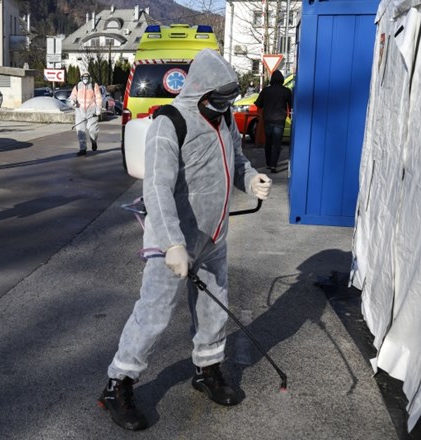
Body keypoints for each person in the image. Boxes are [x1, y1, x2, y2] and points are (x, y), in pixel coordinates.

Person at [98, 49, 272, 431]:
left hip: (214, 236)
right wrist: (172, 243)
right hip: (173, 240)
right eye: (219, 98)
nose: (224, 106)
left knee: (213, 308)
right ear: (199, 91)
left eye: (229, 100)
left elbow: (237, 161)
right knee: (154, 314)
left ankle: (207, 370)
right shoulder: (171, 122)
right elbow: (157, 188)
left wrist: (250, 179)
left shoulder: (224, 119)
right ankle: (118, 384)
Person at [254, 70, 293, 173]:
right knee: (277, 143)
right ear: (282, 79)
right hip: (280, 120)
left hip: (268, 119)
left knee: (268, 142)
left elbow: (258, 104)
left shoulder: (266, 91)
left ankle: (268, 163)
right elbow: (292, 105)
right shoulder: (286, 91)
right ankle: (274, 165)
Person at [69, 71, 102, 156]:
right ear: (81, 78)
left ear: (90, 78)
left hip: (91, 112)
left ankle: (93, 141)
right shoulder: (77, 86)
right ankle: (82, 149)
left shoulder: (94, 85)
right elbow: (73, 95)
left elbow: (98, 98)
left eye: (87, 77)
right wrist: (72, 101)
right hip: (80, 111)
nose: (85, 79)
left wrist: (98, 109)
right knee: (80, 130)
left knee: (93, 130)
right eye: (84, 78)